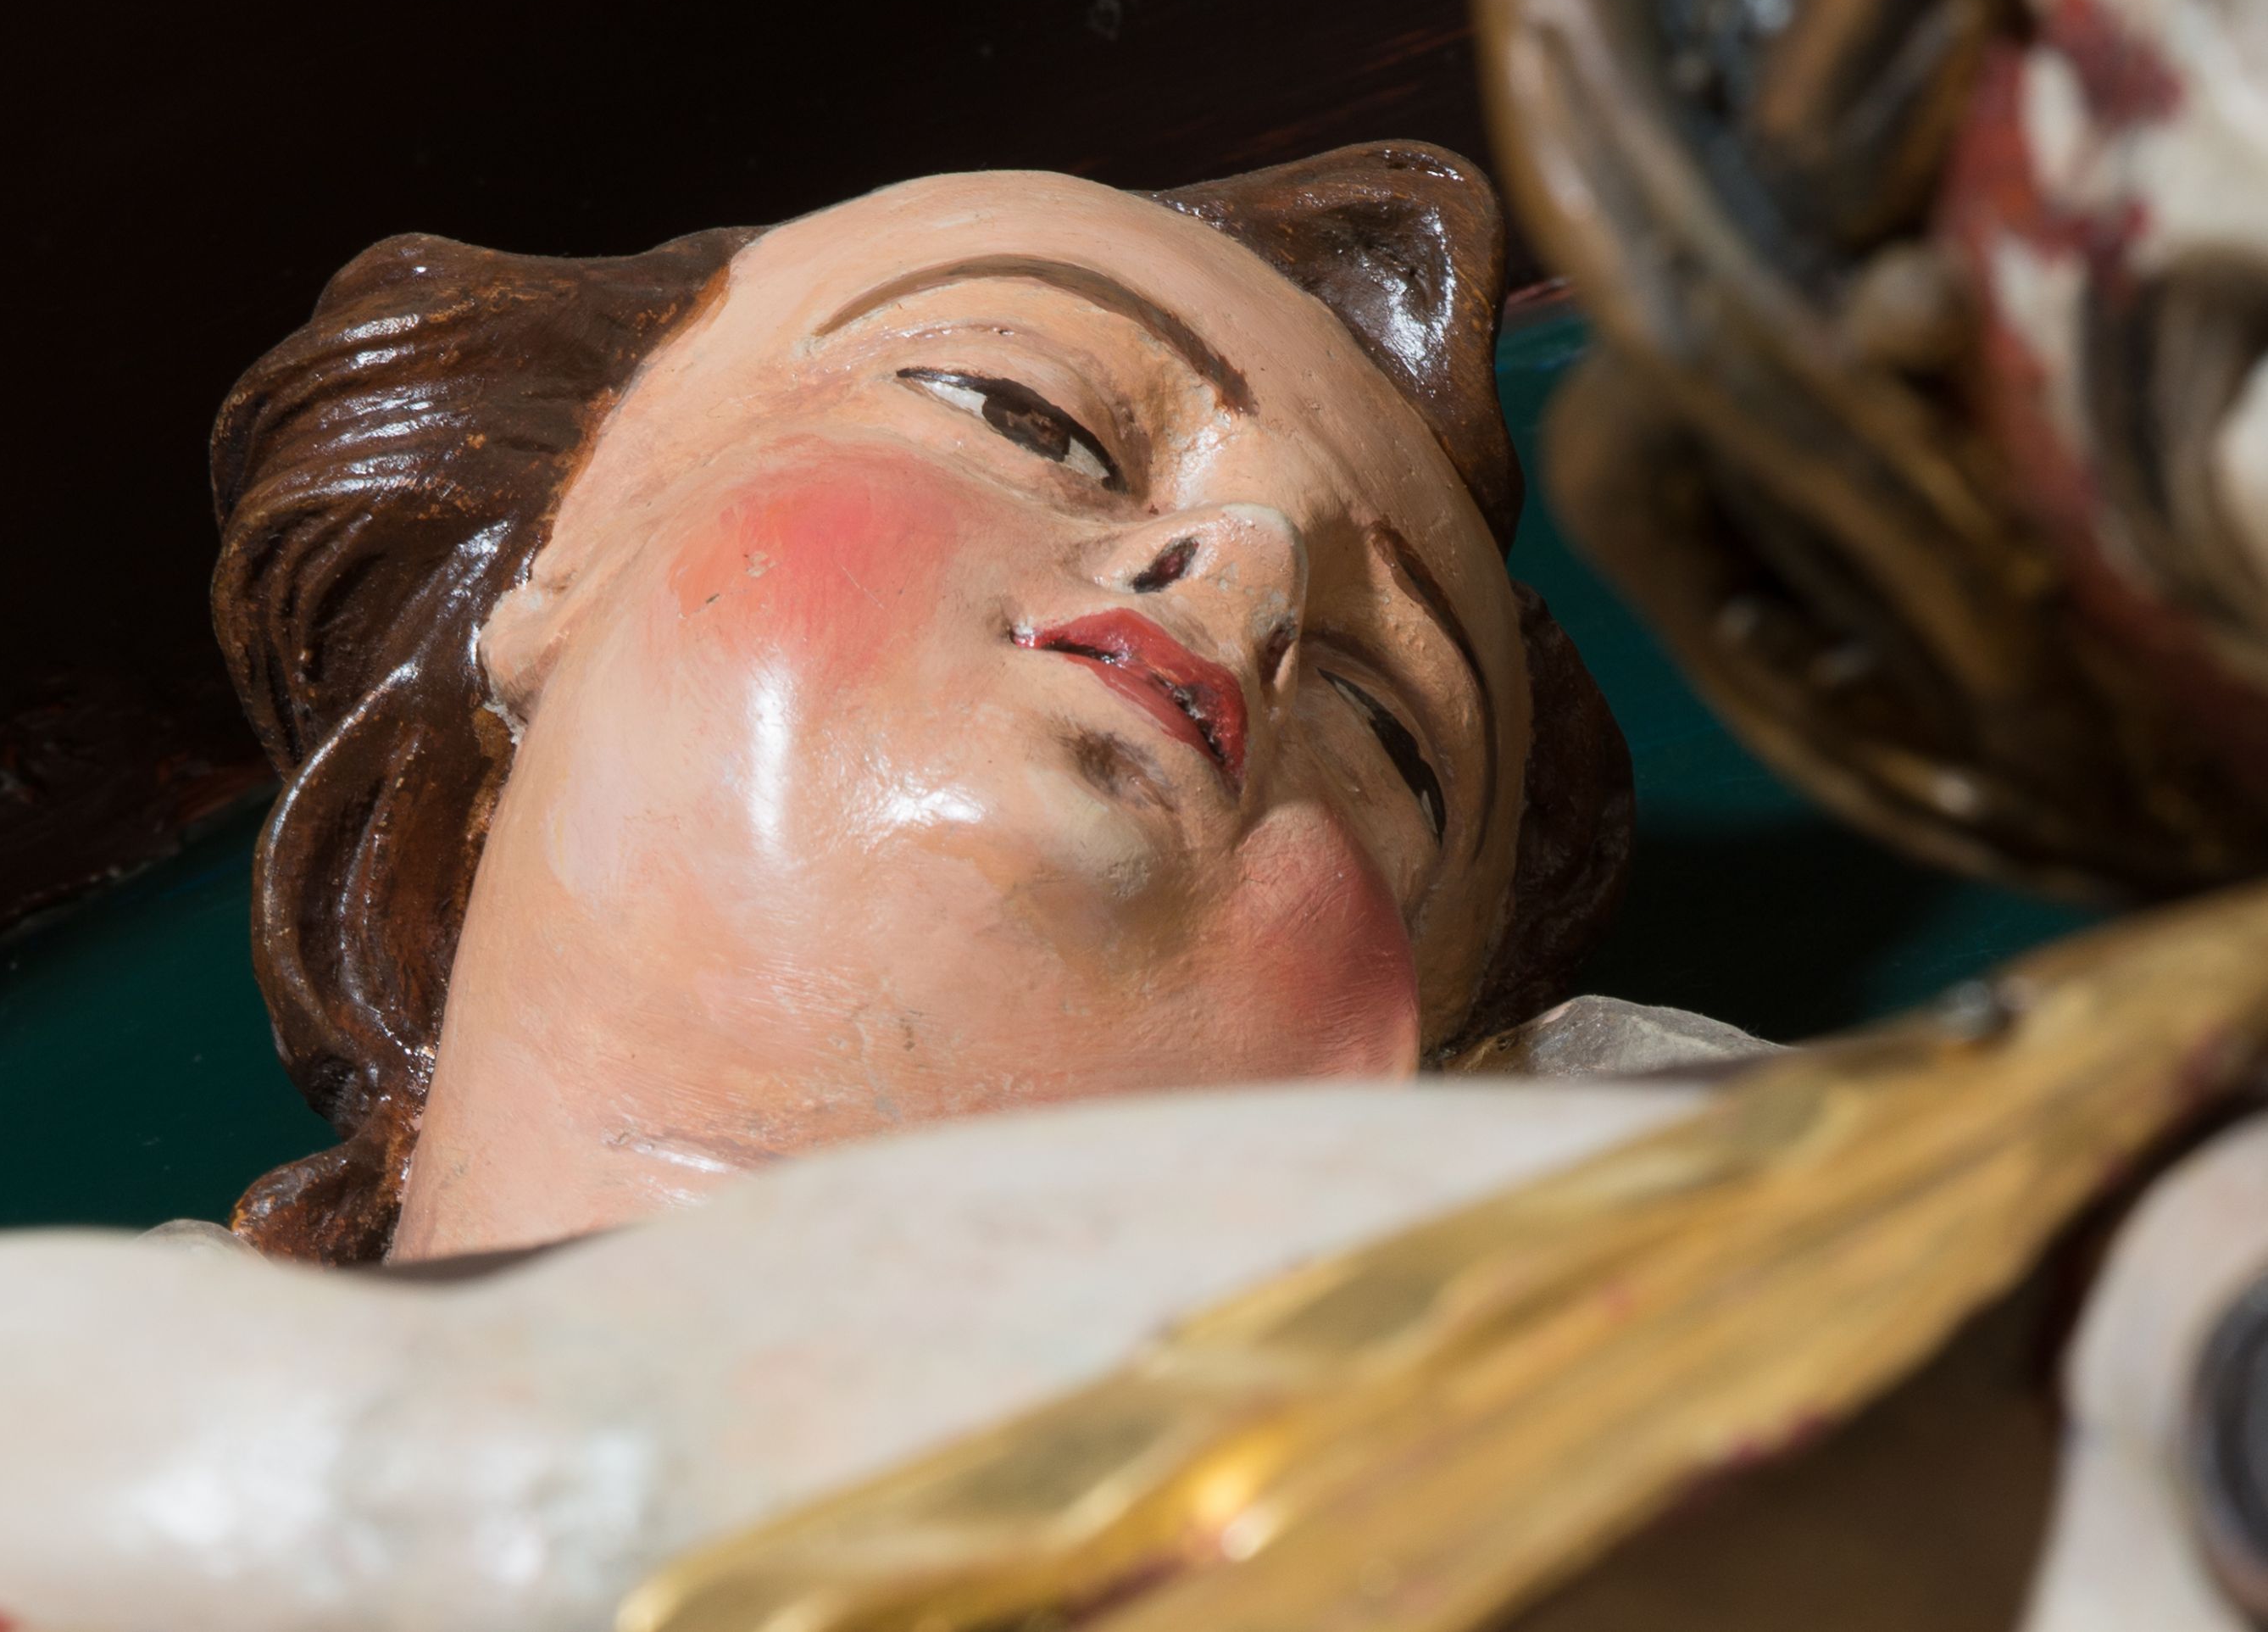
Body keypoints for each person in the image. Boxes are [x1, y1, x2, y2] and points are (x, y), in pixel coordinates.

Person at [209, 143, 1679, 1263]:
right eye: (1023, 416)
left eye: (1389, 734)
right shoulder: (98, 1430)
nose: (1249, 571)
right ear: (564, 548)